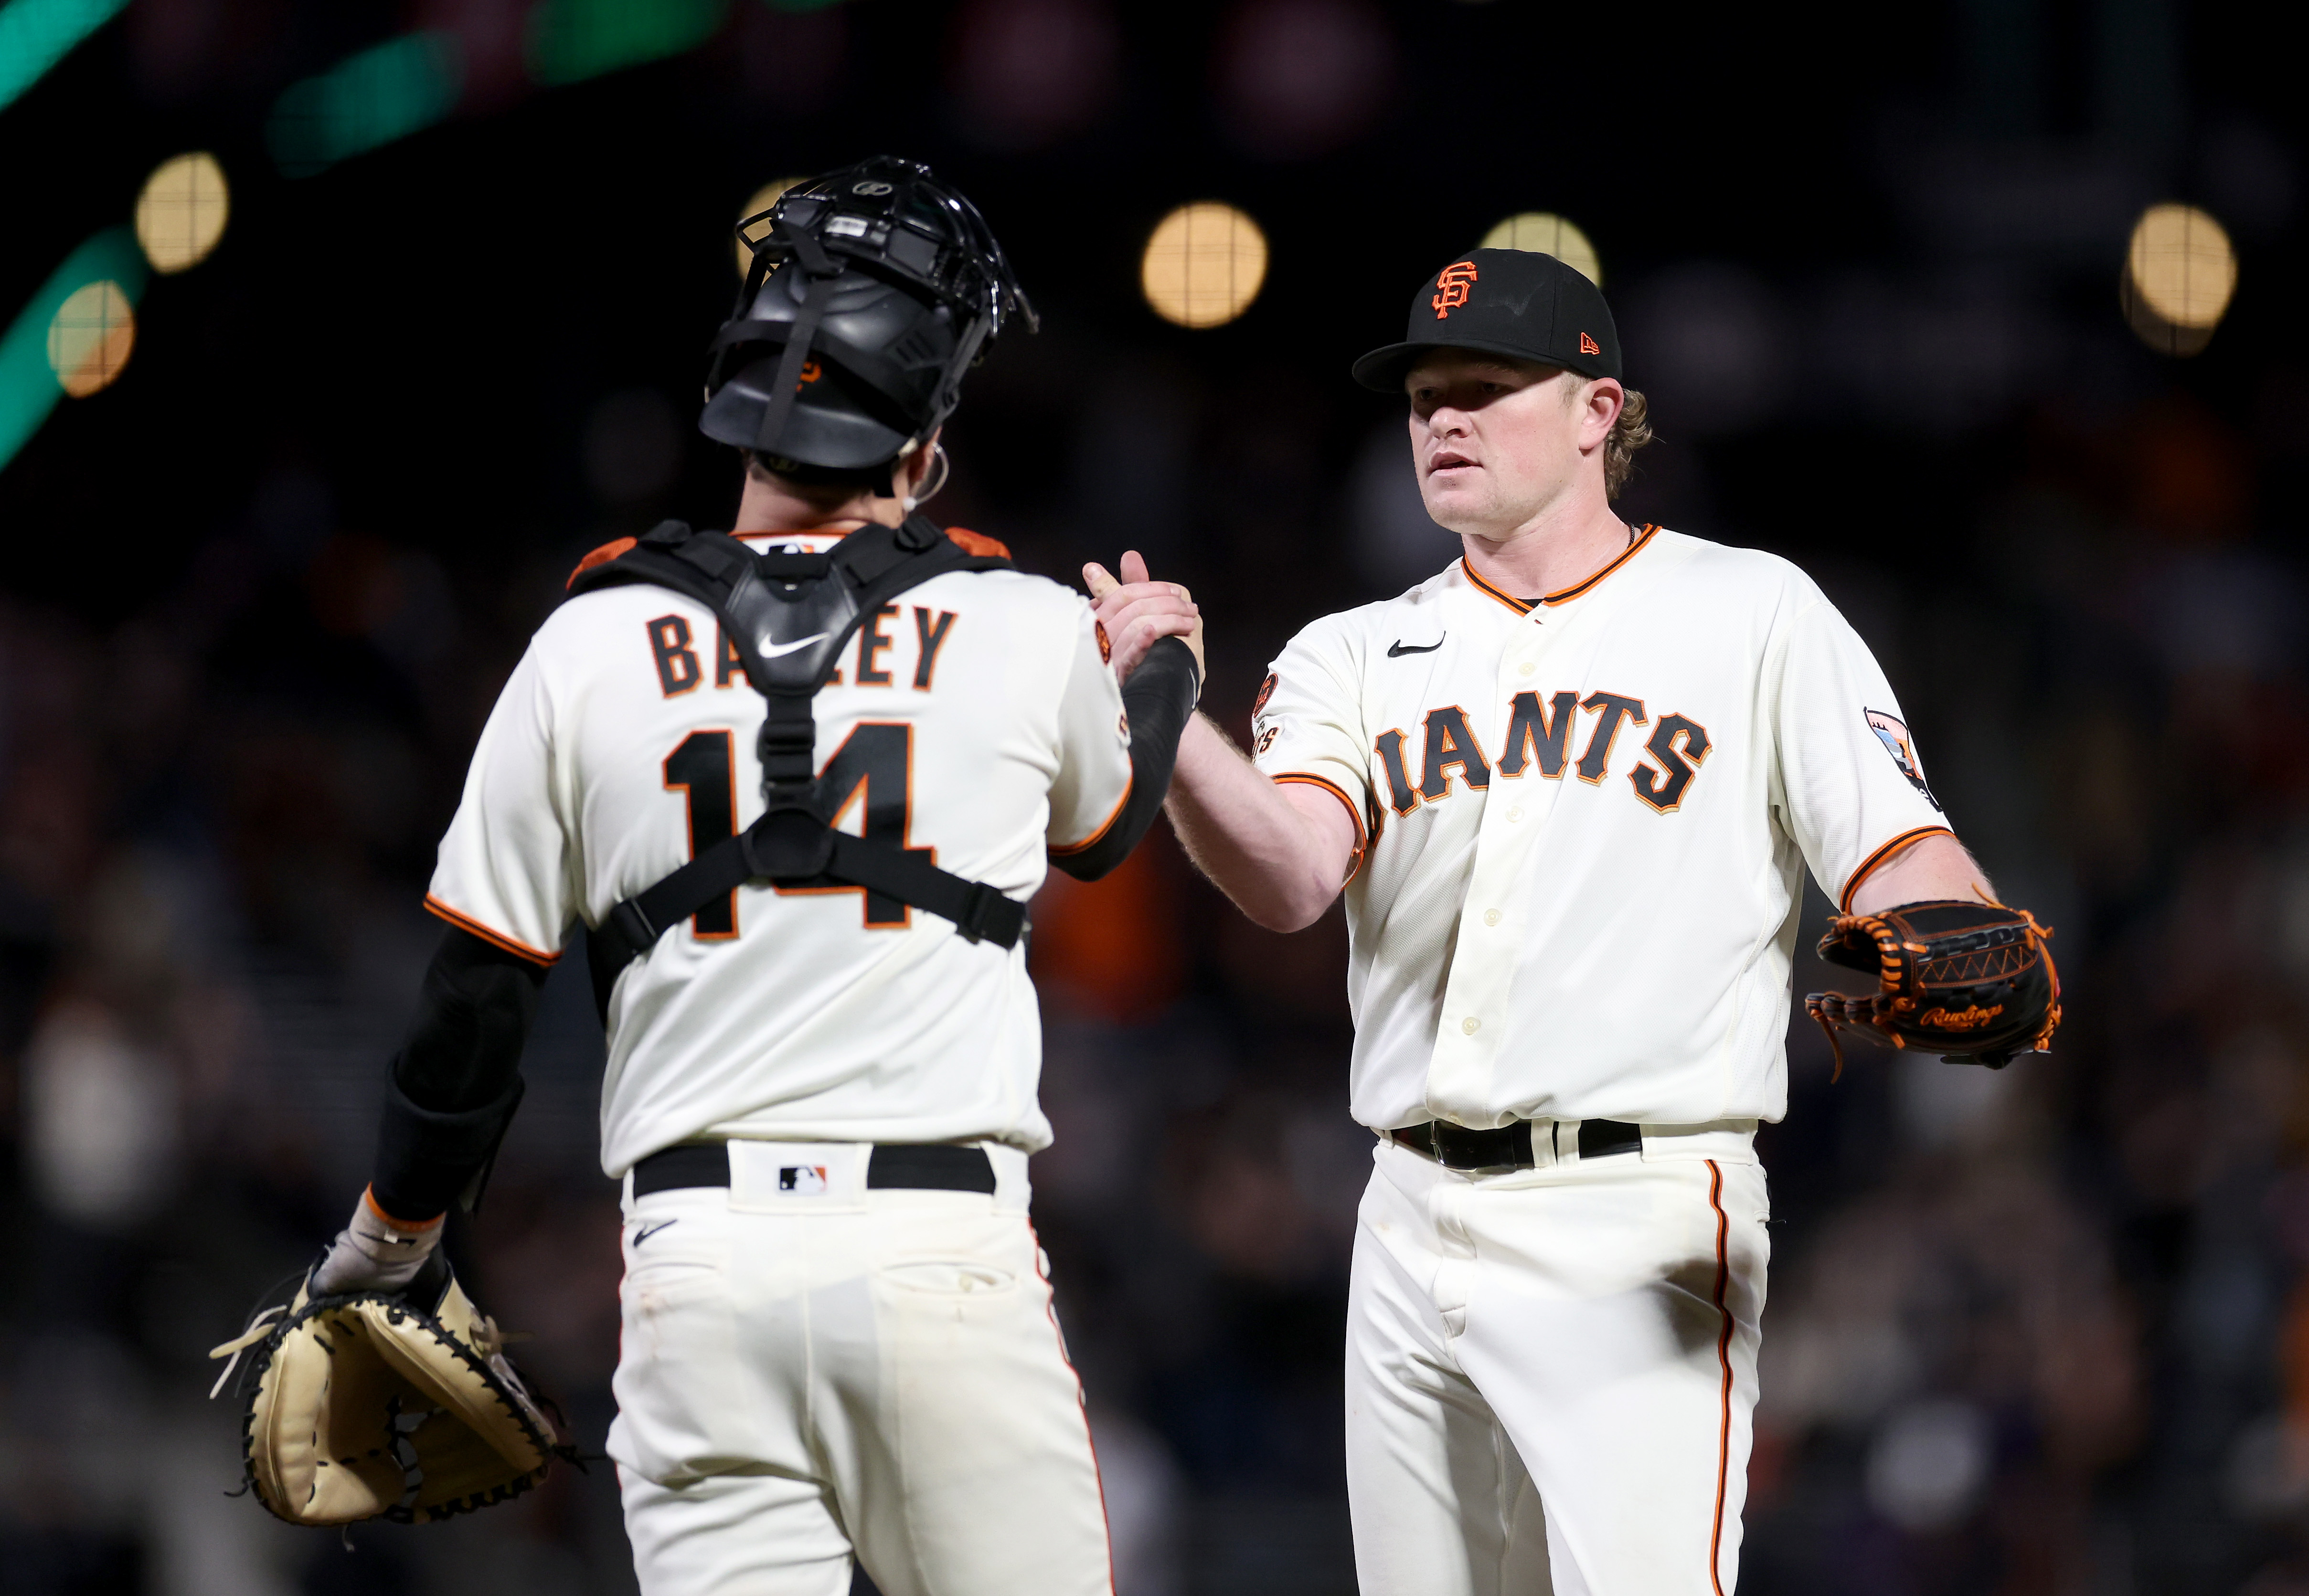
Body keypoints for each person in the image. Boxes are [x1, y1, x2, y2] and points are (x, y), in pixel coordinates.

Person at [308, 157, 1204, 1596]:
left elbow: (470, 1005)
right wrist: (1164, 666)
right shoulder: (1020, 622)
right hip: (940, 1254)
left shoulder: (586, 644)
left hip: (696, 1265)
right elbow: (1108, 829)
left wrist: (385, 1242)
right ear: (924, 443)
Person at [1088, 248, 2016, 1595]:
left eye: (1487, 387)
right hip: (1406, 1210)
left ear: (1599, 412)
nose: (1442, 418)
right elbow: (1290, 876)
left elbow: (1894, 846)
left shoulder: (1749, 610)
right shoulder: (1352, 651)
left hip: (1636, 1205)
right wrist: (1168, 723)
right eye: (1422, 396)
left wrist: (1950, 924)